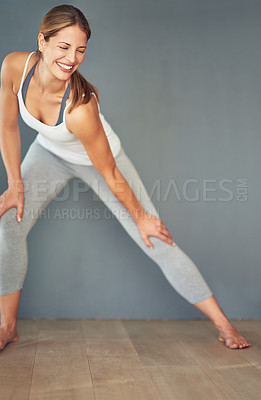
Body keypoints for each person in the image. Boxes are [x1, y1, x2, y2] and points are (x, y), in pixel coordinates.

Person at [0, 4, 250, 351]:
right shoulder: (15, 66)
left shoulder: (79, 108)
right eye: (64, 47)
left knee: (154, 236)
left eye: (81, 50)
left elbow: (110, 172)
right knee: (10, 222)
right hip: (50, 151)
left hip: (102, 162)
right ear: (41, 41)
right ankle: (7, 326)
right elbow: (8, 126)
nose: (72, 58)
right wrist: (15, 184)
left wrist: (141, 218)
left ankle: (224, 324)